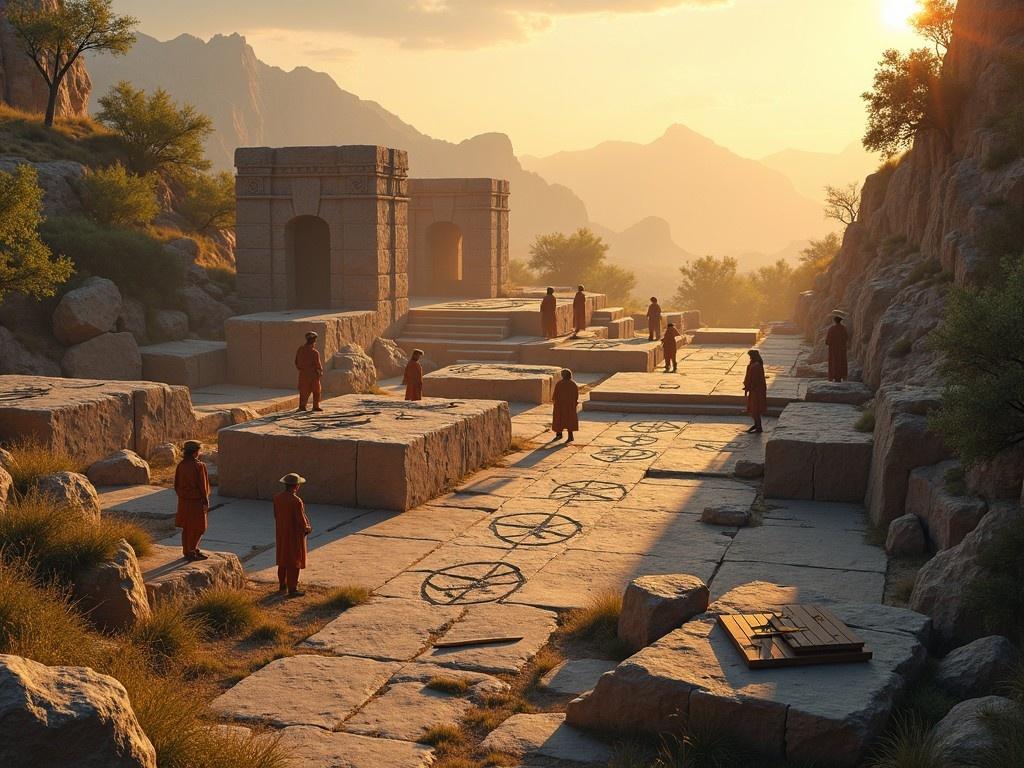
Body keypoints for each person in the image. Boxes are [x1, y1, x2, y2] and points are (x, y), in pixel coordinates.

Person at [274, 472, 312, 597]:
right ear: (296, 486)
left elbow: (276, 515)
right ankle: (292, 588)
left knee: (283, 559)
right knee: (294, 561)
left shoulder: (277, 498)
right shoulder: (296, 501)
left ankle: (282, 584)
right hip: (294, 535)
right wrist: (306, 528)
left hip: (281, 533)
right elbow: (300, 519)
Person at [174, 440, 210, 561]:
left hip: (184, 500)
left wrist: (182, 495)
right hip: (196, 501)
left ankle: (189, 550)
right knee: (200, 527)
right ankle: (192, 550)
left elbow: (176, 484)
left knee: (187, 527)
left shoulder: (181, 465)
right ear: (195, 452)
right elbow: (203, 487)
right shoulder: (199, 466)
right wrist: (205, 501)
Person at [295, 331, 324, 412]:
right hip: (313, 375)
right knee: (316, 391)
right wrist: (320, 372)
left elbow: (296, 362)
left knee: (303, 391)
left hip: (303, 374)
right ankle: (315, 406)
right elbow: (318, 365)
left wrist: (301, 369)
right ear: (313, 341)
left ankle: (302, 406)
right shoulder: (315, 352)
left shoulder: (300, 349)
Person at [551, 368, 579, 443]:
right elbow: (576, 395)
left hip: (560, 405)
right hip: (570, 406)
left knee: (559, 419)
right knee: (569, 420)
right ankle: (570, 436)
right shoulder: (573, 384)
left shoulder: (559, 383)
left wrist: (555, 402)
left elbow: (555, 395)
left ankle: (559, 434)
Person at [743, 349, 768, 434]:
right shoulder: (754, 364)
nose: (750, 357)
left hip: (757, 390)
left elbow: (754, 379)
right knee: (753, 409)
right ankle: (756, 424)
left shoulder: (756, 365)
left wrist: (749, 386)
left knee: (755, 409)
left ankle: (758, 426)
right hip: (754, 390)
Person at [826, 315, 849, 383]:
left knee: (834, 362)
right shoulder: (843, 328)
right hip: (841, 349)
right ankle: (842, 376)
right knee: (842, 362)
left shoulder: (831, 328)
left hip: (833, 349)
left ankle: (834, 376)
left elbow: (827, 341)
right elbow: (846, 338)